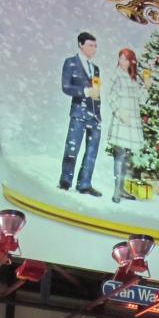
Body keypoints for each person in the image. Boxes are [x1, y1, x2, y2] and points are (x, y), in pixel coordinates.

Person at [59, 30, 103, 197]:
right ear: (80, 45)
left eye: (95, 46)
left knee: (92, 152)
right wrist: (85, 91)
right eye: (90, 45)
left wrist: (98, 110)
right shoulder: (71, 63)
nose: (94, 49)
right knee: (72, 148)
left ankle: (84, 184)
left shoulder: (95, 68)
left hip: (95, 115)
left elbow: (96, 92)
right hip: (79, 113)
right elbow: (66, 87)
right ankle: (65, 181)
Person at [105, 46, 144, 203]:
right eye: (120, 58)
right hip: (122, 119)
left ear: (131, 61)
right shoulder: (116, 74)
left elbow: (141, 99)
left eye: (125, 59)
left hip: (132, 121)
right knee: (119, 155)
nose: (122, 61)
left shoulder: (133, 78)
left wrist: (146, 86)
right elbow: (109, 95)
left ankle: (122, 189)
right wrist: (120, 112)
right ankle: (116, 190)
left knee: (126, 156)